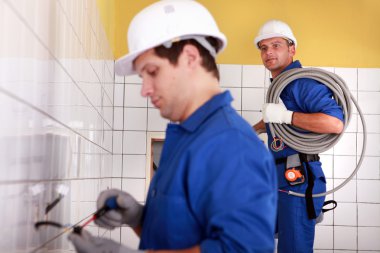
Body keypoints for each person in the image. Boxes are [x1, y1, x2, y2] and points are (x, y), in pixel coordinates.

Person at [68, 1, 278, 253]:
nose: (145, 90)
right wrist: (139, 218)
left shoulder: (230, 144)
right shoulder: (190, 137)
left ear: (190, 57)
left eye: (152, 71)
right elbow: (183, 236)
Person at [252, 20, 344, 253]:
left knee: (294, 248)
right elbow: (276, 120)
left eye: (276, 45)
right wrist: (252, 130)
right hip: (279, 178)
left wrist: (287, 116)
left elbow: (334, 123)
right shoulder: (280, 87)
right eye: (263, 48)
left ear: (292, 49)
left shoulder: (301, 83)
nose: (268, 52)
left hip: (298, 180)